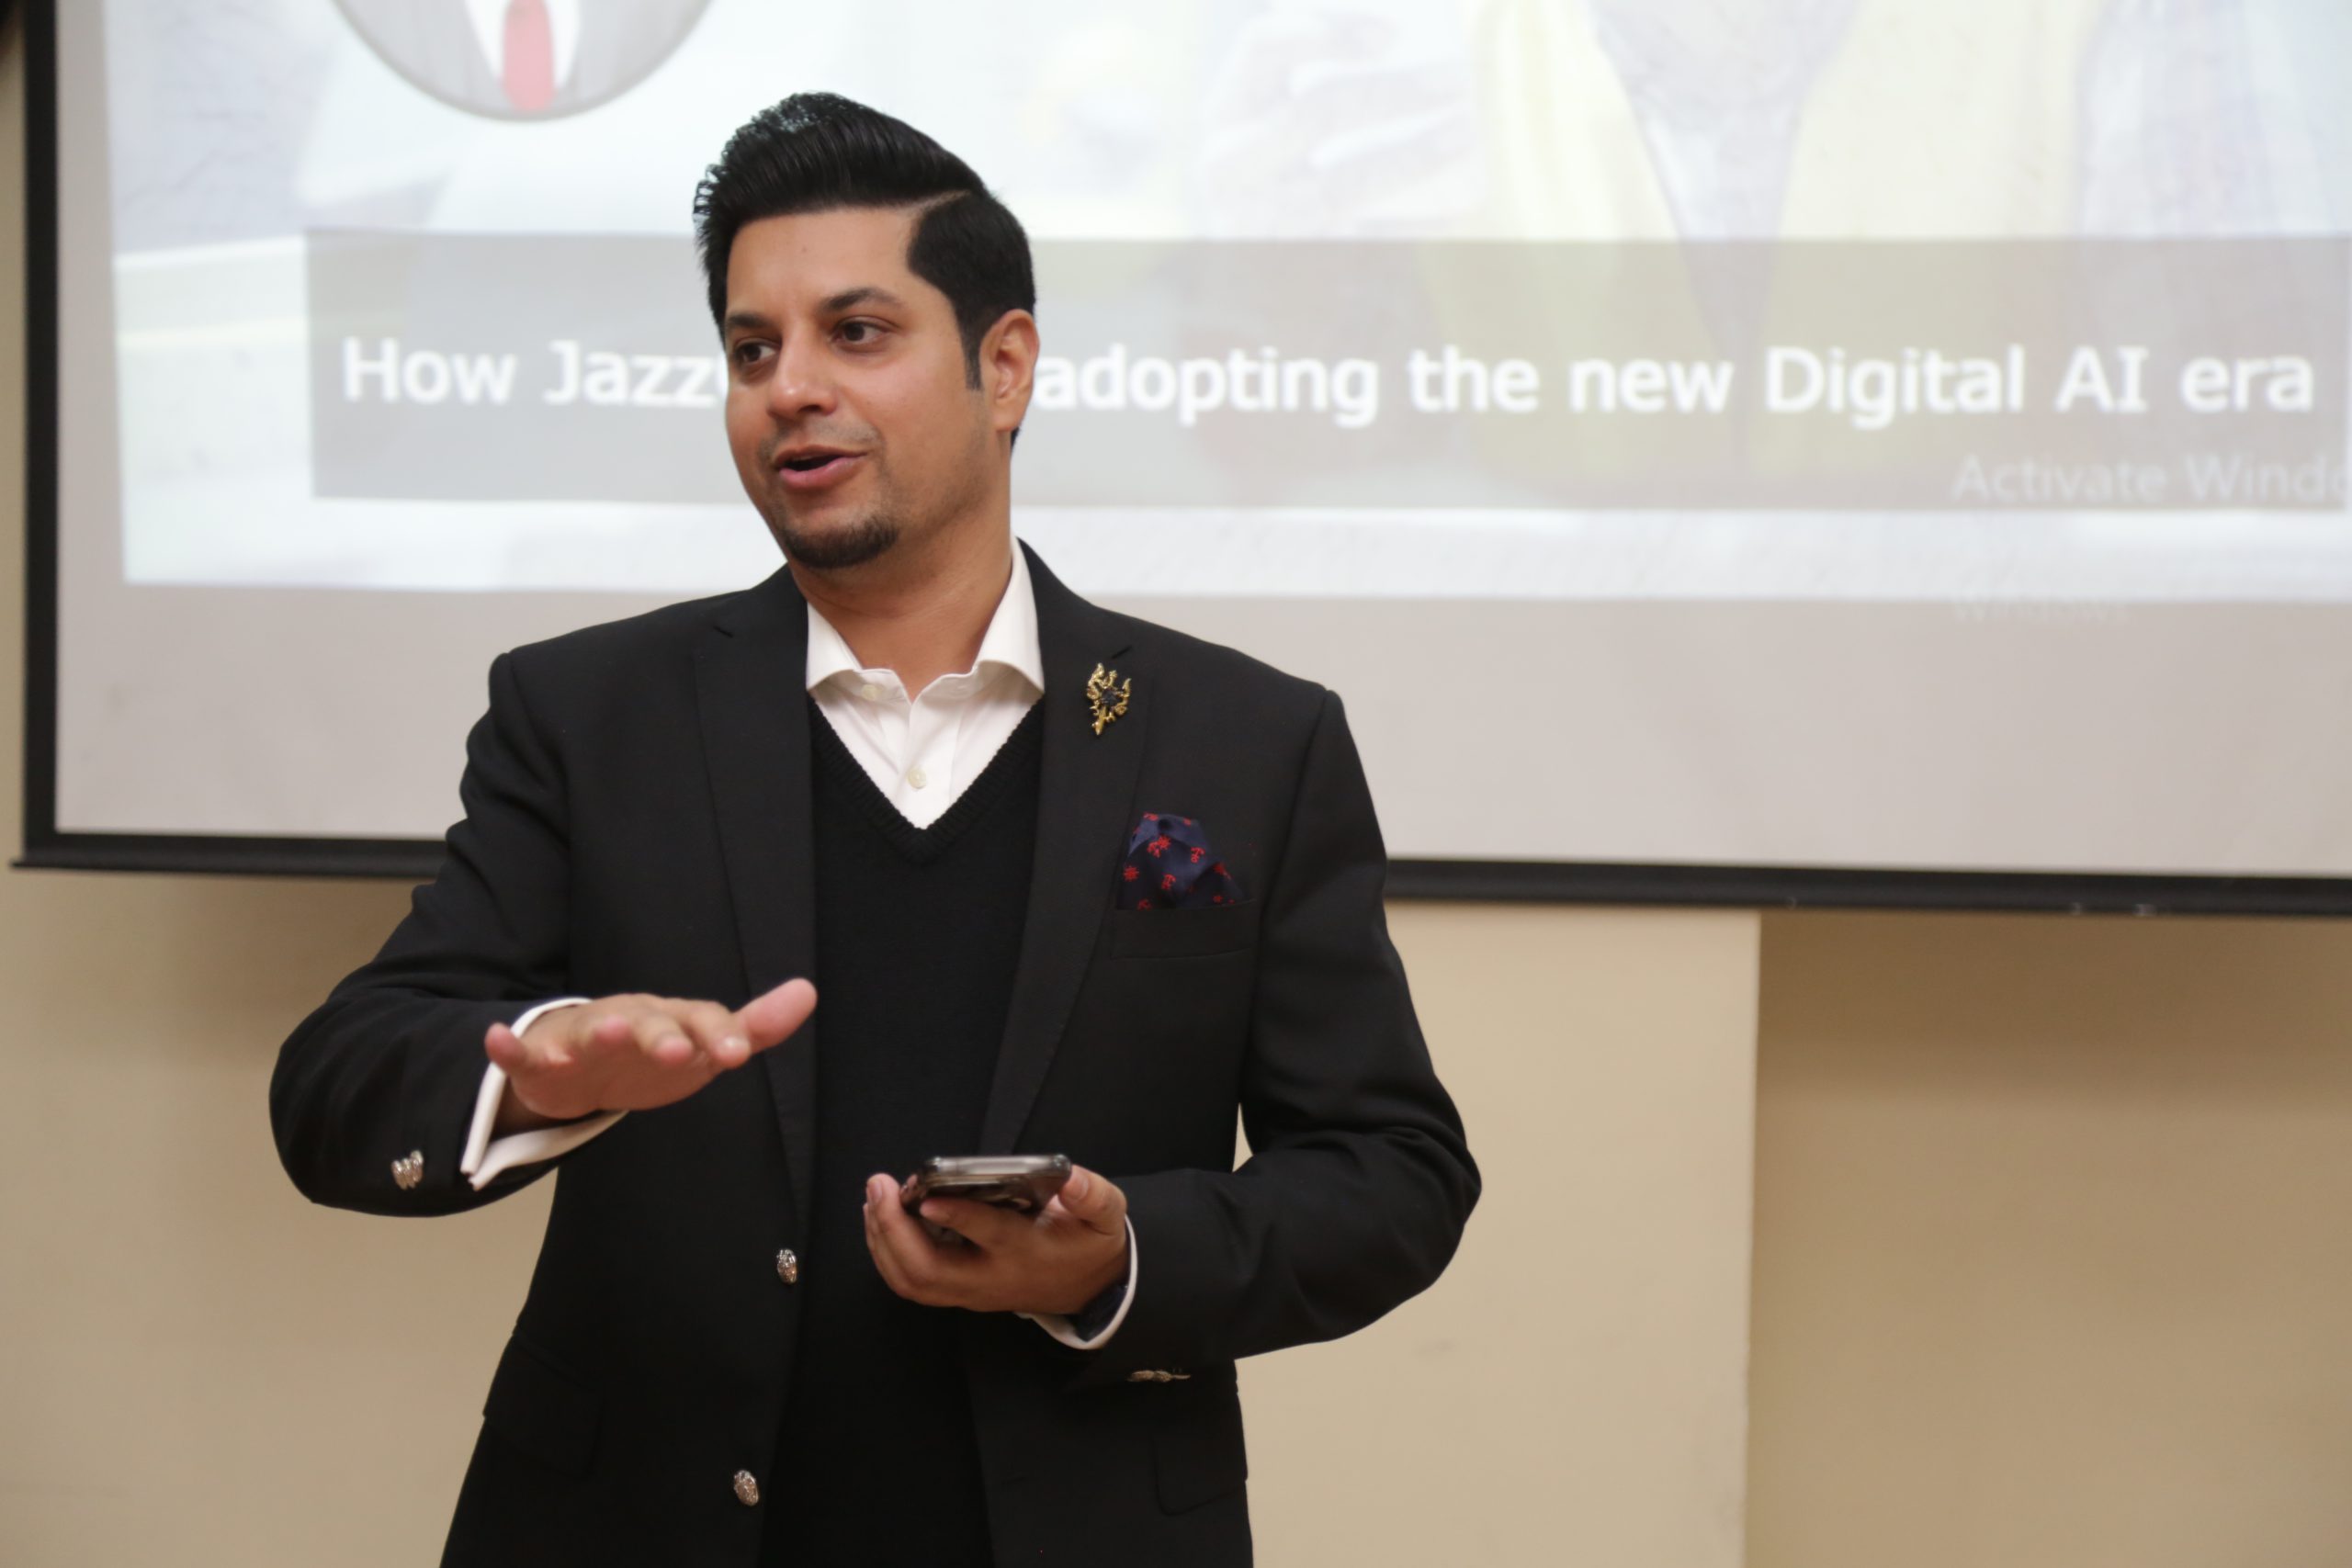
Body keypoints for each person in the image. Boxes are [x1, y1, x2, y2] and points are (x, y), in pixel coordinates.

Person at [271, 92, 1477, 1568]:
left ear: (1004, 367)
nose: (790, 389)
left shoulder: (1245, 741)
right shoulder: (588, 716)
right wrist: (540, 1069)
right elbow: (334, 1088)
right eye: (750, 350)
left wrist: (1121, 1260)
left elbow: (1391, 1173)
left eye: (856, 333)